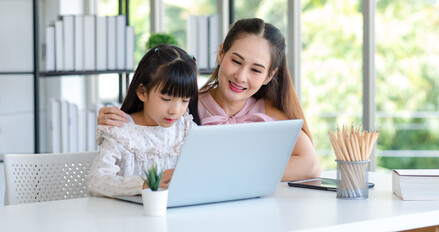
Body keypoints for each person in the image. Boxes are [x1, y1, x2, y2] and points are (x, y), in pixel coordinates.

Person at [97, 18, 321, 181]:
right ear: (221, 54)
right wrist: (120, 119)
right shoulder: (186, 106)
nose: (241, 76)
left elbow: (310, 165)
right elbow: (142, 135)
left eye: (256, 69)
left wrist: (232, 173)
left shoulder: (270, 112)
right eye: (236, 61)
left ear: (269, 76)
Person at [87, 44, 198, 197]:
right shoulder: (121, 130)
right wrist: (145, 184)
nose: (175, 110)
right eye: (166, 99)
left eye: (185, 100)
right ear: (142, 93)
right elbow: (96, 181)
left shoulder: (185, 128)